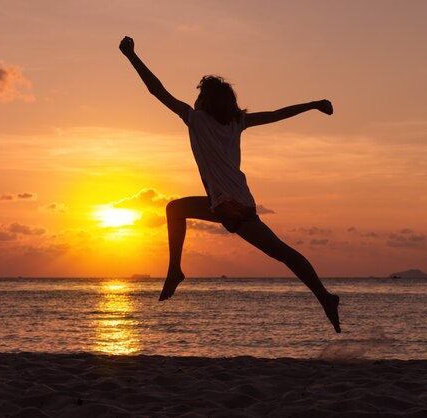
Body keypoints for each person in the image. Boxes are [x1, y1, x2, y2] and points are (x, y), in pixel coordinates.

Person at [119, 36, 341, 333]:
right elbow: (276, 114)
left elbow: (156, 90)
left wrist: (131, 56)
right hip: (236, 204)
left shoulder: (194, 118)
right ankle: (325, 297)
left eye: (198, 95)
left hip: (226, 204)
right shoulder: (237, 121)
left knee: (277, 250)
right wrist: (313, 104)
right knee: (180, 210)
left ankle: (175, 270)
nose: (194, 99)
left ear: (204, 100)